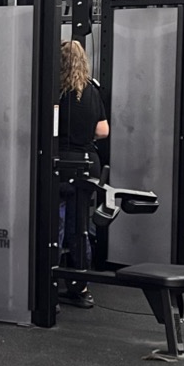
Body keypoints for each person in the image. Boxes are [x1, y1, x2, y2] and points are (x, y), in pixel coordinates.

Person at [55, 40, 109, 308]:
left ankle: (48, 282)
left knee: (56, 223)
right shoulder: (91, 90)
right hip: (88, 165)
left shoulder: (54, 90)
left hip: (59, 165)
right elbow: (103, 131)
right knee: (80, 228)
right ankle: (81, 287)